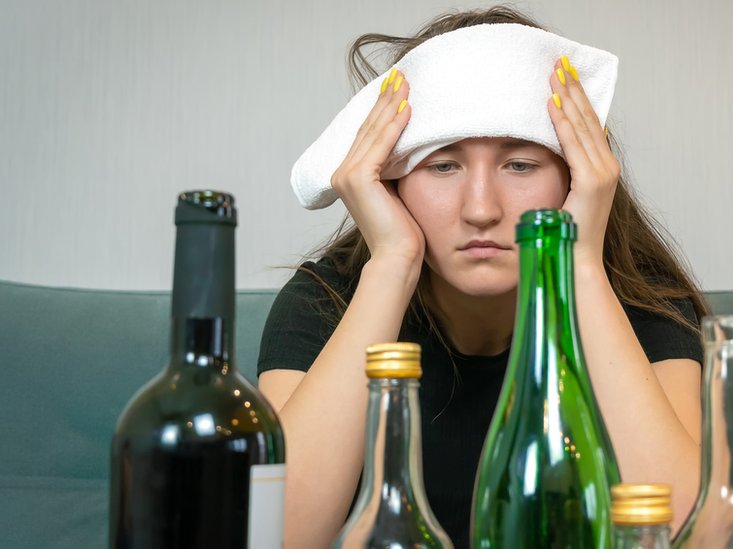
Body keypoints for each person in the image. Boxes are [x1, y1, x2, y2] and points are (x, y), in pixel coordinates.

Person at [258, 6, 708, 547]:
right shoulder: (324, 301)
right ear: (390, 180)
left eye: (519, 165)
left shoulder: (644, 304)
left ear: (576, 177)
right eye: (442, 165)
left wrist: (577, 262)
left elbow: (691, 534)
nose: (480, 209)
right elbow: (275, 536)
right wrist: (392, 263)